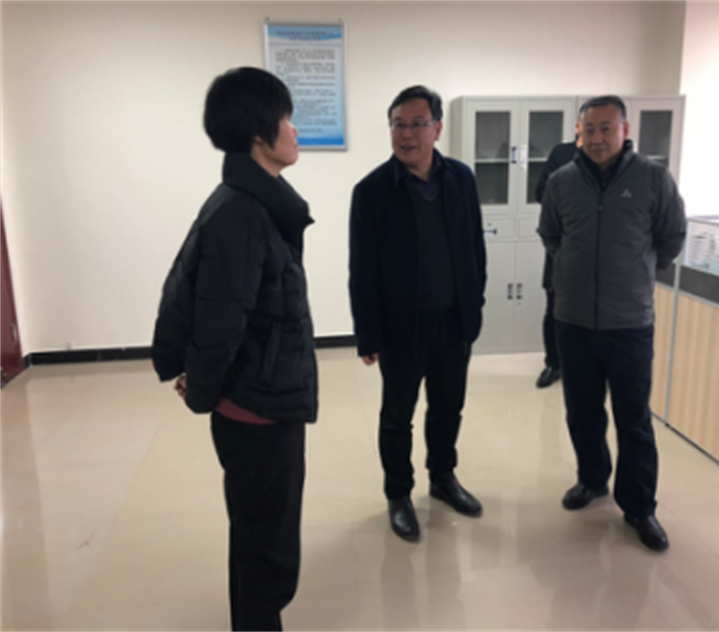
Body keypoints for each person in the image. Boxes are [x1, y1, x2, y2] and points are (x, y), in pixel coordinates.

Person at [151, 67, 317, 631]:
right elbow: (221, 321)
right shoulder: (244, 212)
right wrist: (202, 389)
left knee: (257, 540)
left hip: (264, 397)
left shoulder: (251, 202)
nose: (294, 130)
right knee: (266, 553)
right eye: (286, 118)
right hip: (258, 409)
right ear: (257, 132)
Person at [538, 95, 686, 552]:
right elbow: (551, 235)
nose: (597, 138)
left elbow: (672, 236)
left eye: (606, 128)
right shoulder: (562, 181)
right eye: (589, 130)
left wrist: (636, 272)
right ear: (578, 133)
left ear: (625, 130)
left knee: (633, 419)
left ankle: (639, 507)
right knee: (582, 411)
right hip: (573, 320)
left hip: (629, 322)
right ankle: (592, 478)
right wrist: (572, 273)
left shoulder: (653, 178)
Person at [348, 85, 487, 541]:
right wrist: (367, 333)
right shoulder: (372, 191)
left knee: (448, 407)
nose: (406, 134)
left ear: (437, 128)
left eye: (416, 124)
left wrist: (474, 305)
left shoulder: (461, 179)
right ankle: (398, 493)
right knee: (397, 416)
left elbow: (475, 249)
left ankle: (443, 478)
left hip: (453, 323)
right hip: (401, 327)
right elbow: (362, 269)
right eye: (397, 125)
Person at [533, 132, 580, 388]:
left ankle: (582, 366)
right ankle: (553, 364)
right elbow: (541, 192)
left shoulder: (619, 163)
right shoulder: (562, 154)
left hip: (603, 260)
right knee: (554, 311)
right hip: (561, 248)